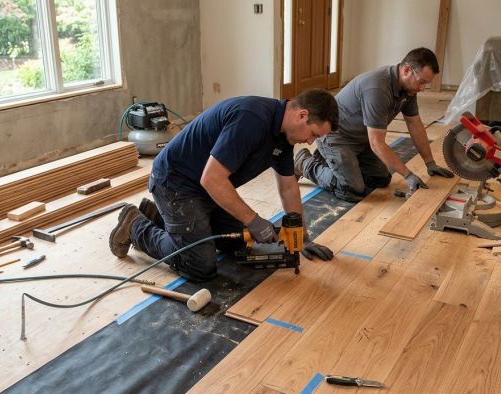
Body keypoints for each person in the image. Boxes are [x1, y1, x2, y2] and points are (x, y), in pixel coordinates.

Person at [109, 89, 339, 282]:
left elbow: (288, 187)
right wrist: (254, 220)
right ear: (302, 115)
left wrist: (302, 235)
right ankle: (135, 224)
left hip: (206, 190)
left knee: (238, 242)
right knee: (199, 264)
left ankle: (158, 215)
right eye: (313, 134)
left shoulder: (284, 137)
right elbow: (212, 179)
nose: (310, 142)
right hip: (176, 183)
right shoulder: (252, 119)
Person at [294, 47, 454, 203]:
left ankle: (332, 161)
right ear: (406, 70)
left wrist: (430, 163)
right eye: (421, 82)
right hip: (336, 137)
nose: (422, 88)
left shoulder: (409, 89)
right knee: (352, 189)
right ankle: (305, 162)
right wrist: (408, 176)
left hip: (361, 139)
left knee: (381, 179)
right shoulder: (378, 88)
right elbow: (376, 143)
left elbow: (414, 124)